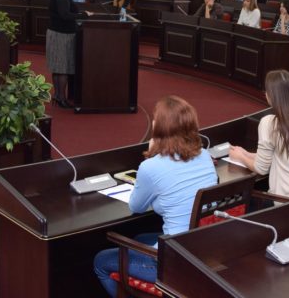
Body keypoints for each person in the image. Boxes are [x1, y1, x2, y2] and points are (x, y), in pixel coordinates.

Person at [92, 95, 218, 296]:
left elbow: (136, 207)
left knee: (100, 261)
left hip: (173, 262)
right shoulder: (204, 156)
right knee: (140, 237)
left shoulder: (151, 167)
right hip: (202, 249)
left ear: (160, 128)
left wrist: (152, 155)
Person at [228, 70, 289, 199]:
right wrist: (246, 154)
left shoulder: (268, 123)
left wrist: (240, 158)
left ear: (272, 95)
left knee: (249, 200)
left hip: (288, 199)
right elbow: (284, 156)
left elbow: (261, 169)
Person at [47, 0, 93, 108]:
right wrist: (83, 15)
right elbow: (65, 15)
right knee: (63, 68)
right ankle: (61, 98)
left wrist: (80, 13)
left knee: (57, 67)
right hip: (62, 35)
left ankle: (58, 96)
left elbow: (71, 10)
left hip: (56, 33)